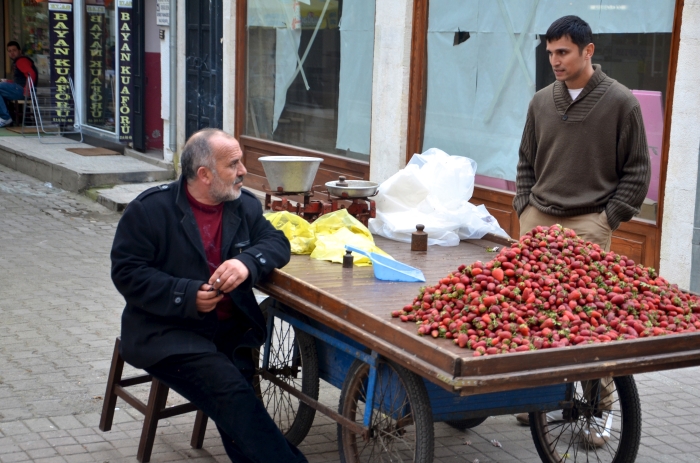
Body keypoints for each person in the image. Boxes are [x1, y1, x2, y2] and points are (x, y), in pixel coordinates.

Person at [111, 129, 308, 463]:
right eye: (233, 164)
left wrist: (246, 263)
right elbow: (127, 273)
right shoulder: (149, 210)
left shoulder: (242, 205)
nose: (244, 171)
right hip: (168, 334)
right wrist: (186, 295)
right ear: (204, 175)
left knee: (238, 407)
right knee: (234, 395)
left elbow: (277, 243)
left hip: (229, 333)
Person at [512, 16, 651, 445]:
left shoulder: (621, 102)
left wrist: (607, 219)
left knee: (586, 325)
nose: (554, 60)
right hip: (538, 218)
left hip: (589, 224)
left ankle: (600, 410)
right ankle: (537, 400)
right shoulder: (540, 102)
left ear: (588, 51)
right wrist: (524, 207)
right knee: (531, 315)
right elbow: (525, 162)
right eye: (550, 52)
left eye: (563, 52)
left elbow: (638, 172)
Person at [0, 41, 38, 127]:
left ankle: (5, 118)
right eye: (9, 51)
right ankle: (5, 117)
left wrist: (27, 90)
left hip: (23, 91)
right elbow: (19, 80)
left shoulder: (21, 60)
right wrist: (6, 81)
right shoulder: (18, 62)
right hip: (21, 89)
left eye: (14, 50)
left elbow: (31, 74)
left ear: (20, 51)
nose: (12, 53)